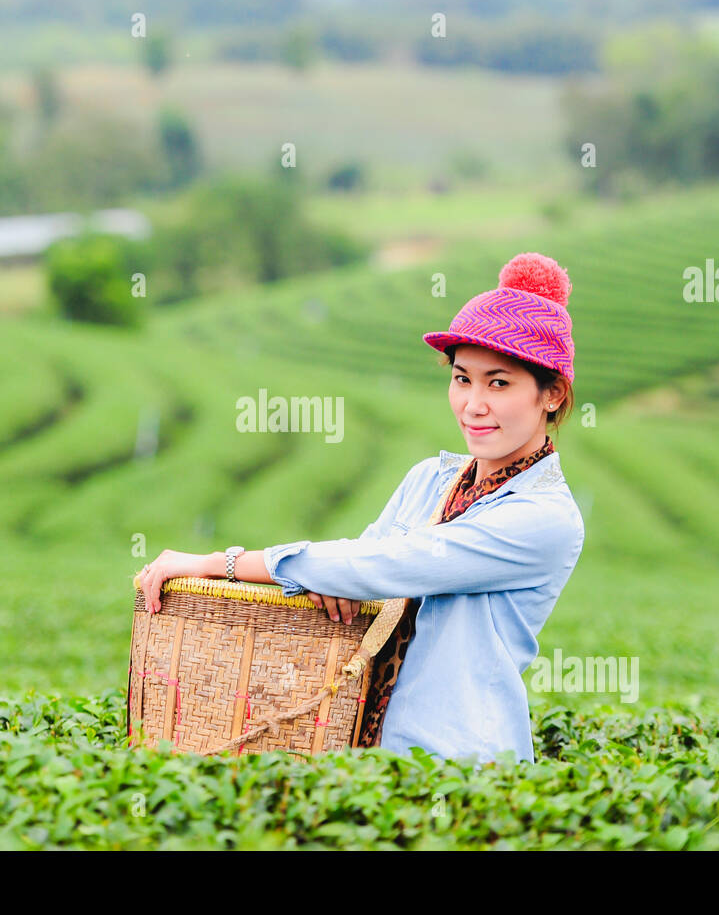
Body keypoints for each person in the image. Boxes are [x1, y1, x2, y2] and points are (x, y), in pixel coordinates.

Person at [137, 252, 585, 765]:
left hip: (462, 764)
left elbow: (382, 565)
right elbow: (356, 570)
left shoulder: (544, 518)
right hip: (365, 751)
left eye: (498, 383)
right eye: (462, 378)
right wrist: (338, 581)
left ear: (551, 395)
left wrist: (223, 563)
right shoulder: (430, 478)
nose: (473, 404)